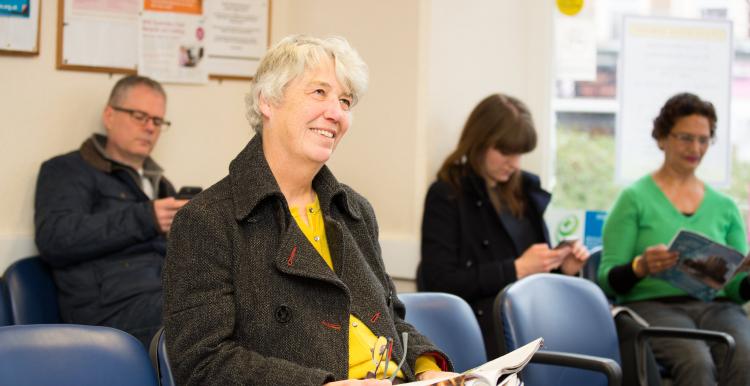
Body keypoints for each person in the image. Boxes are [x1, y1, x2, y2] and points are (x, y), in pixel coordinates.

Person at [163, 35, 456, 386]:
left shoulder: (355, 210)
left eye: (345, 101)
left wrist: (428, 368)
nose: (336, 113)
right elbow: (201, 365)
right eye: (319, 93)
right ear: (267, 101)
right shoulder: (207, 221)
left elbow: (390, 321)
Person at [418, 93, 590, 359]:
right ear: (479, 143)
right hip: (479, 326)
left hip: (529, 319)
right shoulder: (447, 194)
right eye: (506, 152)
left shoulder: (524, 194)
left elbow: (536, 268)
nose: (515, 163)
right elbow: (439, 281)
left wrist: (563, 268)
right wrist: (517, 269)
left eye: (520, 153)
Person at [598, 92, 750, 386]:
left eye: (704, 140)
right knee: (696, 362)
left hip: (717, 307)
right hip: (654, 306)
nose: (695, 148)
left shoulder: (725, 207)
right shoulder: (634, 199)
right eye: (685, 138)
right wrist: (640, 267)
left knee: (744, 356)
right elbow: (607, 278)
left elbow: (735, 289)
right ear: (662, 138)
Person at [34, 75, 187, 346]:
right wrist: (146, 218)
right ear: (110, 115)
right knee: (205, 319)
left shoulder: (160, 183)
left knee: (252, 306)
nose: (150, 128)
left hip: (163, 296)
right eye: (140, 116)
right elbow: (55, 238)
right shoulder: (66, 170)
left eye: (157, 121)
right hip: (107, 313)